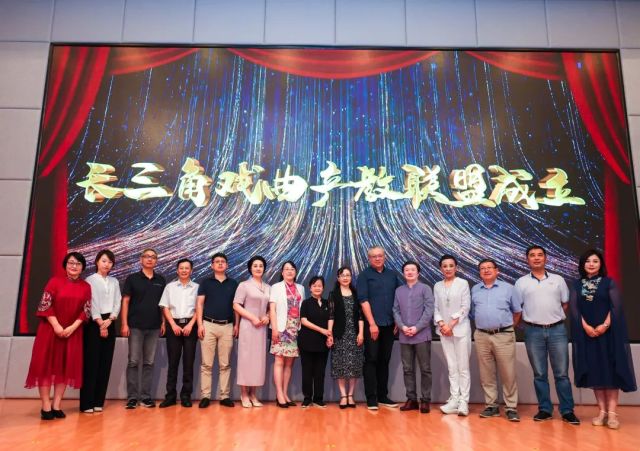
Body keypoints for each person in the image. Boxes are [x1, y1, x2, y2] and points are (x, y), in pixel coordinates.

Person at [569, 249, 636, 429]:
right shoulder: (576, 285)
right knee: (596, 373)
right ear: (582, 264)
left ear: (601, 264)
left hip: (608, 335)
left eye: (595, 261)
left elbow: (616, 308)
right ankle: (602, 412)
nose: (591, 264)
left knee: (611, 373)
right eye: (588, 261)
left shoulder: (609, 283)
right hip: (587, 335)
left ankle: (612, 414)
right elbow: (574, 310)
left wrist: (604, 326)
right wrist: (586, 327)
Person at [515, 245, 580, 425]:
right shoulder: (521, 282)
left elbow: (565, 303)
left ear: (546, 258)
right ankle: (545, 409)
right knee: (539, 374)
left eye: (540, 255)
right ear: (527, 259)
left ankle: (567, 410)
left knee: (562, 374)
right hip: (533, 331)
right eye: (532, 255)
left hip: (557, 330)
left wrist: (552, 319)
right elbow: (517, 308)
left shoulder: (558, 280)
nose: (536, 258)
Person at [25, 252, 92, 420]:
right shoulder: (54, 281)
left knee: (64, 368)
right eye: (71, 263)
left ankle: (56, 405)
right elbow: (45, 305)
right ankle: (46, 406)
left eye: (78, 264)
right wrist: (56, 326)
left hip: (72, 333)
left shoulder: (86, 286)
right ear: (65, 265)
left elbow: (85, 311)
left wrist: (72, 327)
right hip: (50, 331)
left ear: (83, 267)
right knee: (45, 368)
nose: (74, 266)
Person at [470, 259, 522, 422]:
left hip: (503, 335)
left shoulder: (508, 288)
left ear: (497, 270)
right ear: (480, 272)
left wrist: (507, 328)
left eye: (489, 268)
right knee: (486, 373)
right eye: (482, 268)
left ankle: (511, 407)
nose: (486, 270)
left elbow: (517, 312)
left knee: (508, 372)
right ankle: (491, 406)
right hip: (481, 335)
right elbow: (473, 312)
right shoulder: (475, 289)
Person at [356, 246, 402, 410]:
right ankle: (371, 398)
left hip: (389, 325)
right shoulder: (364, 276)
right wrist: (372, 324)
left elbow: (399, 298)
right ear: (369, 259)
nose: (377, 258)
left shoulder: (392, 275)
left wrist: (398, 320)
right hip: (372, 326)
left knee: (385, 360)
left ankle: (383, 396)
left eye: (380, 256)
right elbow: (363, 300)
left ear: (384, 257)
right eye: (374, 256)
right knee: (371, 359)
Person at [121, 248, 166, 409]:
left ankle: (146, 397)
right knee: (133, 361)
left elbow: (163, 304)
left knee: (149, 362)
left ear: (156, 261)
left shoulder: (161, 280)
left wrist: (163, 322)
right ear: (141, 259)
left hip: (154, 327)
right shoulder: (132, 278)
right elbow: (125, 301)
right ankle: (132, 397)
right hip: (135, 326)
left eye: (153, 257)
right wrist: (124, 323)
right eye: (146, 256)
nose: (149, 259)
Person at [196, 252, 239, 408]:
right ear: (212, 265)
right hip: (208, 325)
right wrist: (200, 324)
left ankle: (224, 396)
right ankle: (205, 396)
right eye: (217, 261)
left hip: (227, 326)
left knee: (225, 364)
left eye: (223, 261)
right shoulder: (205, 283)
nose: (220, 263)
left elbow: (236, 306)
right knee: (206, 364)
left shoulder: (233, 283)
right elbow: (199, 304)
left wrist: (237, 325)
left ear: (227, 265)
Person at [80, 250, 121, 413]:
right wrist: (100, 323)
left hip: (110, 321)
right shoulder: (90, 280)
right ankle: (86, 403)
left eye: (110, 262)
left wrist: (111, 319)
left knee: (105, 362)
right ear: (97, 261)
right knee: (91, 363)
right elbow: (92, 302)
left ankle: (98, 401)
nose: (107, 264)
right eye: (104, 261)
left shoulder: (114, 281)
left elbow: (117, 301)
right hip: (93, 323)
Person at [393, 261, 434, 414]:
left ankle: (425, 400)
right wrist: (402, 327)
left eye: (413, 270)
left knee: (425, 369)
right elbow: (395, 310)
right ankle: (411, 399)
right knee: (407, 369)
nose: (409, 272)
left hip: (422, 335)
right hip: (404, 335)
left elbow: (429, 311)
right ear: (403, 273)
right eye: (406, 270)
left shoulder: (425, 289)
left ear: (418, 272)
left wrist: (416, 328)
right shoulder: (399, 291)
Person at [433, 255, 471, 416]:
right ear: (441, 268)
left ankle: (464, 401)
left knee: (463, 367)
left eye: (451, 265)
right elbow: (436, 308)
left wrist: (451, 325)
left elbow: (465, 307)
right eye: (445, 266)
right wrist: (442, 324)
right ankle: (454, 398)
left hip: (460, 330)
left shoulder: (463, 283)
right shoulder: (437, 286)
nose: (448, 268)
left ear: (456, 267)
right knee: (452, 366)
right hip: (444, 331)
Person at [158, 258, 198, 408]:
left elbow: (199, 309)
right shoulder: (170, 287)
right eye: (181, 268)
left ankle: (186, 395)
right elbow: (165, 307)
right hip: (173, 325)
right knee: (173, 362)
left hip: (190, 326)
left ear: (191, 270)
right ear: (177, 270)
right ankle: (170, 396)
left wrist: (191, 325)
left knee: (188, 363)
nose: (184, 270)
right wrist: (173, 324)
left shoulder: (197, 287)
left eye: (187, 268)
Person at [233, 255, 270, 407]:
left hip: (261, 328)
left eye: (261, 266)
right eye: (255, 266)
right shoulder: (244, 285)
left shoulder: (268, 287)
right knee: (245, 359)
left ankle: (253, 394)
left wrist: (268, 316)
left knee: (258, 361)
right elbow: (236, 305)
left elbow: (270, 307)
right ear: (250, 268)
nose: (258, 268)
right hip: (248, 326)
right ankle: (243, 394)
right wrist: (252, 318)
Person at [269, 261, 305, 408]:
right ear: (282, 272)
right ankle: (279, 394)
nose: (289, 271)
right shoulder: (276, 287)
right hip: (281, 328)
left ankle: (285, 393)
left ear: (295, 272)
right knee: (279, 361)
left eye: (292, 269)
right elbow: (272, 309)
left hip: (295, 328)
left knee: (289, 363)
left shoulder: (301, 288)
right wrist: (274, 329)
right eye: (286, 269)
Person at [328, 266, 364, 409]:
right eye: (342, 275)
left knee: (354, 365)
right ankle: (343, 395)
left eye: (348, 275)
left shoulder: (356, 294)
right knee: (340, 366)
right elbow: (331, 316)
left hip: (354, 334)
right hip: (339, 334)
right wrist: (330, 333)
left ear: (351, 277)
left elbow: (360, 316)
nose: (345, 277)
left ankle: (350, 395)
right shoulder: (333, 294)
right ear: (338, 278)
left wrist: (361, 333)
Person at [299, 276, 332, 408]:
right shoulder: (306, 303)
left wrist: (329, 335)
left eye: (320, 286)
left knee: (320, 372)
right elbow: (303, 321)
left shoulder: (327, 303)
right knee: (307, 371)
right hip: (307, 341)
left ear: (323, 288)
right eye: (314, 285)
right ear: (310, 288)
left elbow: (331, 319)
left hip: (323, 343)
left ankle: (318, 398)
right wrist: (321, 330)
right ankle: (307, 398)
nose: (317, 288)